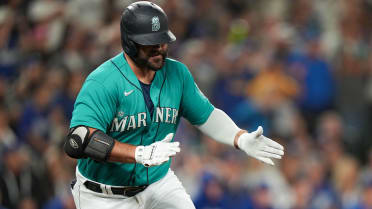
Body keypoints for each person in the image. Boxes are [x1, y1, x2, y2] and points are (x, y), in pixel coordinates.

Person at [63, 1, 284, 209]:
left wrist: (240, 137)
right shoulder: (103, 81)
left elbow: (206, 115)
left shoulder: (177, 73)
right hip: (105, 195)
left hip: (158, 182)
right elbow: (79, 140)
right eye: (151, 43)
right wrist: (138, 153)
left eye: (162, 41)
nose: (160, 48)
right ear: (130, 42)